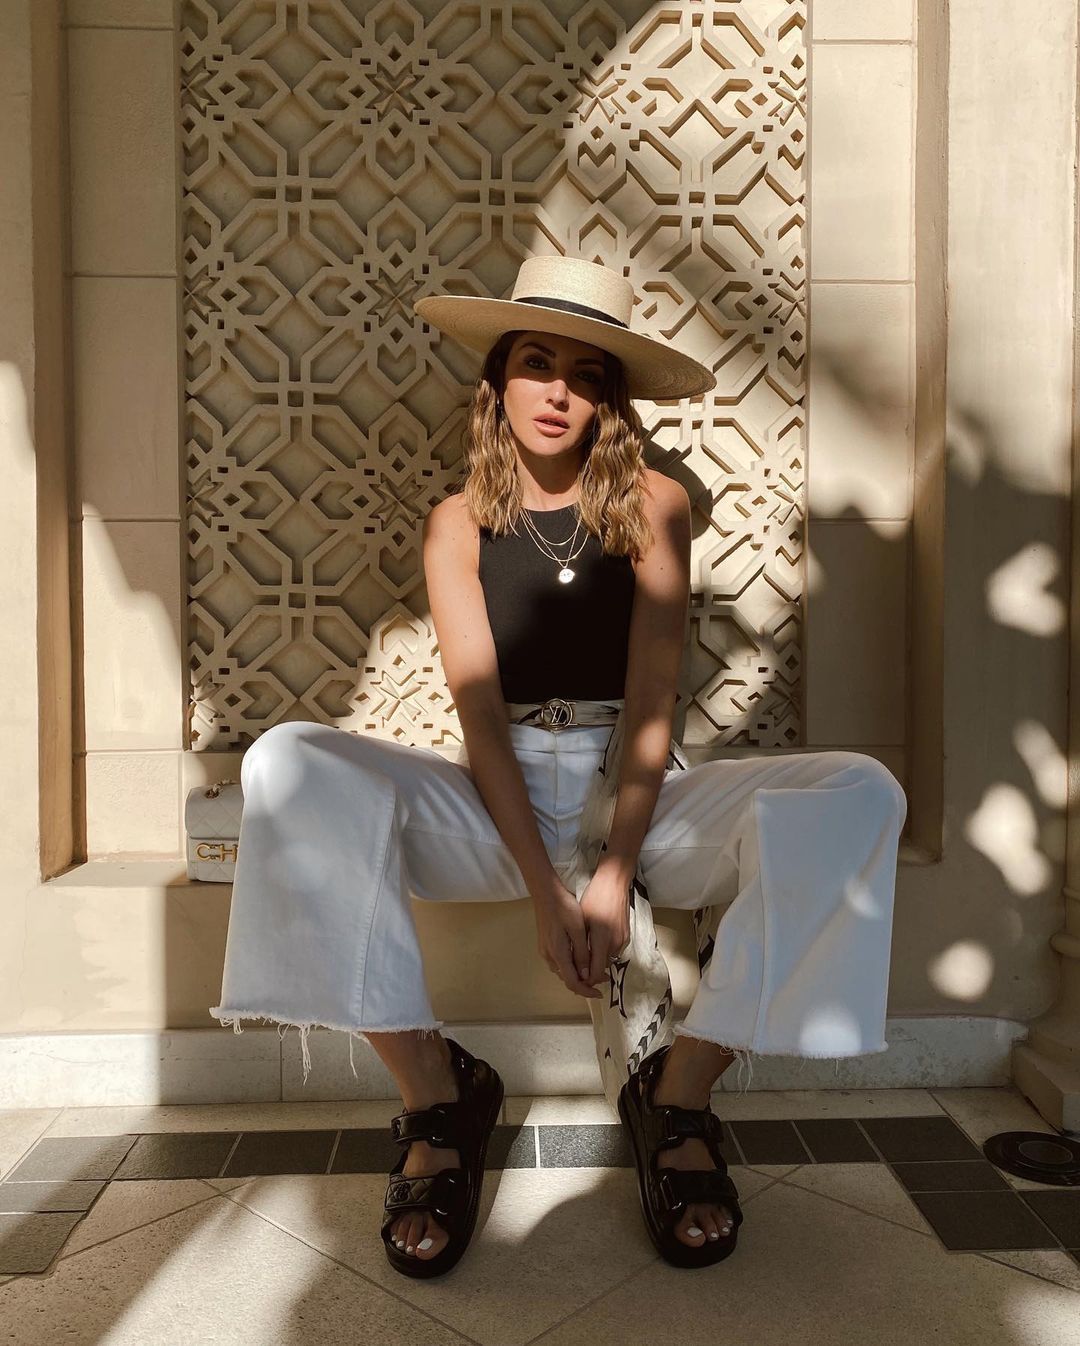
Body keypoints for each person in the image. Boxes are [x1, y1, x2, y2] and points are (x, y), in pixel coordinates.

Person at [209, 255, 908, 1279]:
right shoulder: (457, 524)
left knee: (861, 789)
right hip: (494, 809)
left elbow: (655, 700)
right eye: (535, 363)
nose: (556, 390)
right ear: (499, 379)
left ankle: (679, 1093)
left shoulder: (656, 505)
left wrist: (614, 870)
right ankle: (436, 1093)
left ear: (607, 400)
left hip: (636, 797)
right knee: (285, 760)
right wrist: (547, 889)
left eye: (584, 374)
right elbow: (481, 718)